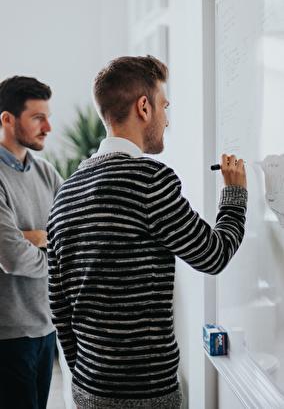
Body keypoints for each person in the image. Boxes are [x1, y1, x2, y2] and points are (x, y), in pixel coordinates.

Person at [48, 56, 247, 409]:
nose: (166, 119)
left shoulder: (67, 191)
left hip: (87, 388)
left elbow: (59, 304)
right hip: (146, 393)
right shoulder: (150, 181)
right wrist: (235, 193)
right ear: (144, 107)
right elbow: (214, 255)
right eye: (164, 106)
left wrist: (87, 380)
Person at [0, 76, 62, 409]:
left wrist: (34, 238)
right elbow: (12, 257)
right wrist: (35, 241)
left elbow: (72, 238)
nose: (48, 126)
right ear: (7, 120)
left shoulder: (48, 173)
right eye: (37, 117)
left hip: (46, 328)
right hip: (7, 336)